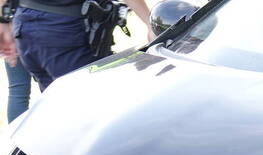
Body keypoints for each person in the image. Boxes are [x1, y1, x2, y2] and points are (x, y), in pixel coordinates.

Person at [0, 0, 151, 93]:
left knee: (63, 116)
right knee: (90, 115)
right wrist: (151, 25)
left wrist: (4, 21)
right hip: (63, 33)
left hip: (26, 28)